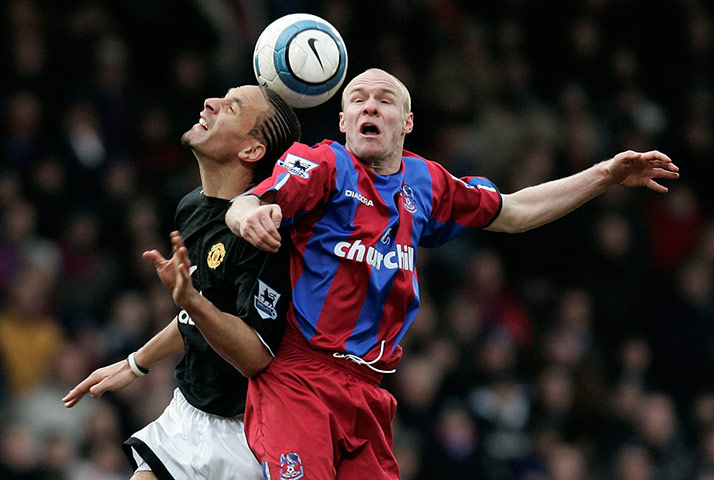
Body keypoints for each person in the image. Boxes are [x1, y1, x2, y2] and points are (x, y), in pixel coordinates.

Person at [224, 68, 680, 479]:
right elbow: (251, 201)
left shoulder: (426, 183)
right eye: (357, 98)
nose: (369, 105)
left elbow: (514, 211)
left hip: (368, 391)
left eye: (384, 100)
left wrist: (604, 173)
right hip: (302, 377)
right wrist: (247, 216)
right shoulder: (324, 164)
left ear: (407, 123)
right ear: (343, 122)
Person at [62, 84, 301, 480]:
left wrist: (191, 301)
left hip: (250, 435)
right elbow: (202, 311)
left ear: (252, 151)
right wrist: (136, 363)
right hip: (187, 414)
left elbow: (256, 355)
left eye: (231, 107)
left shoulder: (264, 232)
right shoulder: (191, 206)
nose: (210, 102)